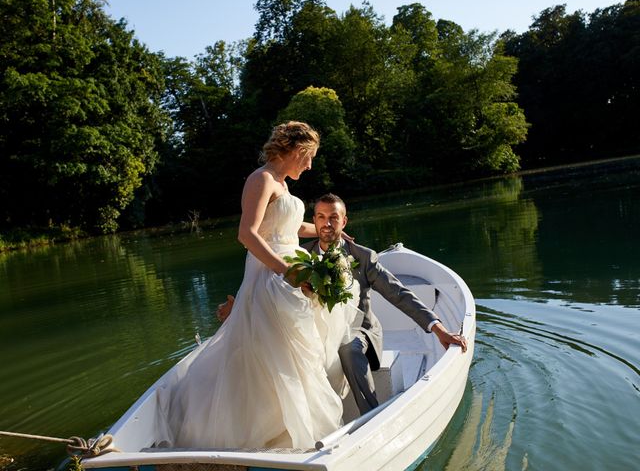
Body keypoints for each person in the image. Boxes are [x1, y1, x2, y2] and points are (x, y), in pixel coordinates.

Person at [157, 122, 357, 450]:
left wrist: (327, 231)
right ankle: (253, 431)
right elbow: (247, 234)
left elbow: (290, 227)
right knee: (274, 354)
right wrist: (285, 272)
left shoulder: (281, 184)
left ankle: (290, 427)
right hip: (270, 279)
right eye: (308, 158)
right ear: (294, 150)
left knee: (295, 356)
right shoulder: (260, 179)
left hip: (288, 279)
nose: (310, 165)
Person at [218, 193, 467, 415]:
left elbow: (398, 293)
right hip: (315, 330)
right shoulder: (299, 257)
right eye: (321, 217)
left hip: (359, 330)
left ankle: (372, 416)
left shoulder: (362, 256)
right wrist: (239, 308)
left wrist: (438, 329)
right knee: (284, 348)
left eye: (333, 218)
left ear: (344, 221)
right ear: (313, 222)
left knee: (348, 348)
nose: (327, 224)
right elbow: (270, 288)